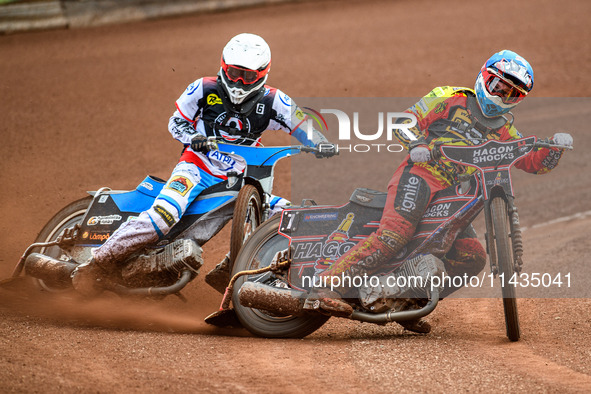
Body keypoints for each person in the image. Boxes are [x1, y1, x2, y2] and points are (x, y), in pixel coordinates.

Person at [314, 50, 573, 332]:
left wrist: (554, 149)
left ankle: (408, 305)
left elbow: (532, 162)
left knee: (473, 258)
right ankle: (327, 286)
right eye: (498, 86)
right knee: (394, 235)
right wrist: (417, 146)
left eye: (511, 94)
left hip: (455, 197)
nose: (500, 97)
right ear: (484, 77)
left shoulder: (506, 131)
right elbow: (405, 120)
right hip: (420, 176)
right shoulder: (450, 97)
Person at [72, 33, 336, 295]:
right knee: (165, 216)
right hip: (195, 167)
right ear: (223, 67)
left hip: (241, 175)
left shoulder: (274, 100)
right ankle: (97, 263)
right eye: (233, 73)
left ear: (263, 74)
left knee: (287, 216)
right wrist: (194, 137)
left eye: (248, 77)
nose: (239, 83)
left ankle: (231, 270)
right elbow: (175, 121)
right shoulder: (203, 88)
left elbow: (302, 123)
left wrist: (320, 142)